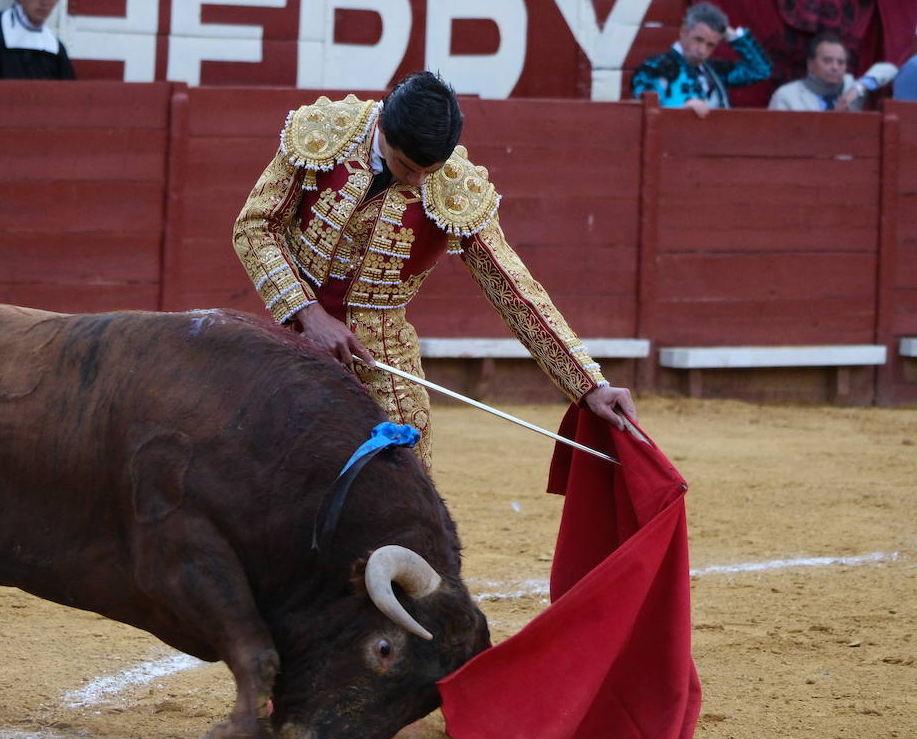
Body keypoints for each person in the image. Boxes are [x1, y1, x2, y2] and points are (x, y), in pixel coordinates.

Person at [232, 71, 637, 471]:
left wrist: (589, 385)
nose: (419, 181)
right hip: (289, 335)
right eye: (408, 167)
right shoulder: (324, 133)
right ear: (383, 128)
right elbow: (254, 227)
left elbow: (514, 290)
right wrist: (309, 313)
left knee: (407, 476)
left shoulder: (453, 189)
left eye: (431, 170)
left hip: (382, 355)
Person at [630, 2, 771, 119]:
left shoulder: (714, 71)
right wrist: (682, 109)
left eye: (710, 45)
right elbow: (648, 112)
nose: (702, 51)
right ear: (684, 32)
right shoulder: (655, 67)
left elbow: (760, 70)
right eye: (698, 40)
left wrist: (733, 36)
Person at [768, 33, 896, 112]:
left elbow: (891, 69)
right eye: (827, 61)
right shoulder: (786, 95)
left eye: (841, 62)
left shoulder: (851, 87)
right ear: (810, 64)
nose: (835, 67)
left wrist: (858, 88)